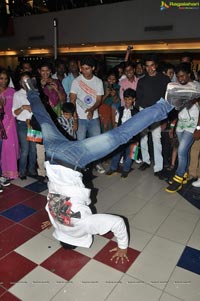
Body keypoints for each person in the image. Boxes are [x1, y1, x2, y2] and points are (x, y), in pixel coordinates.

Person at [22, 70, 190, 263]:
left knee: (121, 135)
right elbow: (59, 214)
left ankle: (168, 103)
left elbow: (118, 222)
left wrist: (122, 248)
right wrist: (54, 225)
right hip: (52, 155)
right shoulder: (54, 216)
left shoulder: (84, 225)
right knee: (45, 119)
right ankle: (30, 89)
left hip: (73, 160)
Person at [165, 63, 200, 193]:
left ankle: (178, 178)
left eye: (183, 76)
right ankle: (184, 174)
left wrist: (198, 128)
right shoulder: (176, 87)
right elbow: (175, 108)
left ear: (189, 74)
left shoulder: (197, 86)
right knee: (184, 152)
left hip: (193, 125)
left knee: (181, 151)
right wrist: (173, 125)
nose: (180, 79)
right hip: (181, 123)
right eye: (178, 77)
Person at [136, 53, 170, 177]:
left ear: (156, 66)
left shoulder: (165, 79)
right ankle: (146, 160)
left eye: (152, 66)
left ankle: (158, 168)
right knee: (143, 138)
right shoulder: (142, 81)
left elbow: (168, 99)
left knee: (157, 139)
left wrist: (165, 117)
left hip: (157, 113)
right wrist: (140, 112)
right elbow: (138, 99)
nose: (149, 69)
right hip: (144, 111)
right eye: (147, 66)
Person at [70, 56, 105, 174]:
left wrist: (91, 110)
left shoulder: (98, 81)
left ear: (93, 68)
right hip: (80, 118)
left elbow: (99, 100)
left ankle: (97, 163)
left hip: (94, 117)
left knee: (96, 142)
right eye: (83, 69)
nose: (84, 71)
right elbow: (72, 100)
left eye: (87, 69)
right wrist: (75, 117)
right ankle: (81, 164)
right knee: (80, 142)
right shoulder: (76, 81)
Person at [106, 88, 139, 178]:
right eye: (126, 99)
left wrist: (137, 140)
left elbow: (138, 127)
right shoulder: (120, 110)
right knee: (116, 154)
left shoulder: (136, 112)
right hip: (120, 137)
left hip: (132, 138)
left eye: (129, 99)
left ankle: (126, 170)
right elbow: (116, 123)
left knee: (129, 155)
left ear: (133, 100)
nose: (127, 101)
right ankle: (113, 168)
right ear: (123, 99)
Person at [12, 72, 37, 180]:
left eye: (28, 80)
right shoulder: (17, 94)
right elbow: (14, 113)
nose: (26, 83)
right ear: (20, 83)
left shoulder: (35, 92)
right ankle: (22, 172)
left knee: (33, 150)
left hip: (33, 123)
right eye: (23, 81)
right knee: (25, 149)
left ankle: (32, 170)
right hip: (22, 124)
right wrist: (23, 107)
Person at [0, 69, 19, 181]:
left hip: (11, 124)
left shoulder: (12, 91)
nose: (4, 81)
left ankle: (10, 172)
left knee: (10, 147)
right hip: (1, 123)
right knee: (2, 148)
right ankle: (2, 172)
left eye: (6, 78)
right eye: (1, 78)